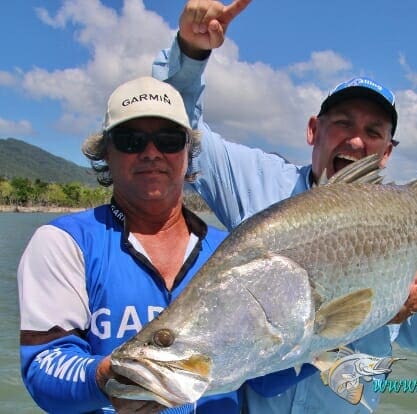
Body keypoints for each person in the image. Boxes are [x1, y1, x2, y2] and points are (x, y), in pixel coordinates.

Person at [152, 1, 417, 412]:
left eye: (373, 132)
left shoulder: (413, 215)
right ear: (314, 130)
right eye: (343, 122)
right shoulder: (260, 184)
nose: (356, 141)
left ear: (387, 153)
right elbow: (176, 130)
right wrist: (191, 51)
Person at [16, 76, 305, 413]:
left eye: (168, 140)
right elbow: (43, 367)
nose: (151, 153)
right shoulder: (65, 243)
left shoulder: (234, 252)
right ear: (105, 153)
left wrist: (331, 337)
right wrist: (105, 380)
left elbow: (261, 378)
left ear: (188, 153)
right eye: (130, 140)